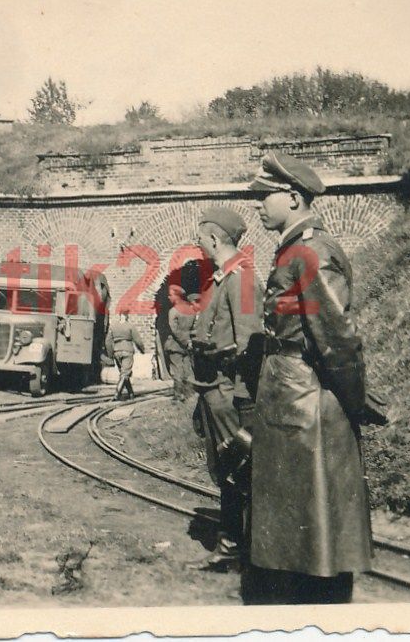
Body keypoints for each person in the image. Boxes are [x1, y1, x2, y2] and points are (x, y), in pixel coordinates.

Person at [244, 150, 373, 604]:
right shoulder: (294, 250)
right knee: (295, 523)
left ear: (294, 198)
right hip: (289, 393)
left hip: (307, 398)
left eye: (264, 196)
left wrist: (356, 401)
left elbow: (335, 337)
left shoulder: (313, 252)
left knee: (314, 526)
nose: (257, 204)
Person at [185, 207, 263, 572]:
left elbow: (250, 343)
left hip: (229, 392)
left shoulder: (242, 280)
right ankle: (233, 548)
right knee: (228, 475)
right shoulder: (222, 279)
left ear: (214, 239)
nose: (197, 243)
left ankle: (245, 552)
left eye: (201, 237)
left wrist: (237, 396)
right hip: (213, 389)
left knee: (239, 475)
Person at [165, 286, 197, 405]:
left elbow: (175, 331)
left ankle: (179, 396)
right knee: (187, 370)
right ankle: (190, 393)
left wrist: (184, 341)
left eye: (171, 295)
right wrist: (189, 342)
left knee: (177, 370)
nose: (169, 297)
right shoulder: (191, 310)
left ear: (177, 296)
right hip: (187, 345)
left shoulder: (173, 311)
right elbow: (194, 328)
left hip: (175, 345)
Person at [106, 310, 144, 400]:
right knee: (125, 374)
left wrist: (111, 354)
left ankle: (131, 393)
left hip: (117, 352)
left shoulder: (113, 326)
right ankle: (117, 394)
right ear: (127, 316)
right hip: (127, 351)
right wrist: (142, 350)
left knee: (124, 373)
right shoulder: (130, 326)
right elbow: (138, 340)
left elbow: (108, 342)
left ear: (120, 315)